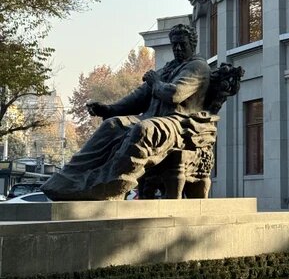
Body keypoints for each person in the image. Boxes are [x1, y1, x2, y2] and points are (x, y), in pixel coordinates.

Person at [42, 23, 211, 201]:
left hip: (180, 123)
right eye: (174, 44)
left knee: (144, 130)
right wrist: (109, 109)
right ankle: (69, 179)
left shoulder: (197, 67)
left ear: (192, 44)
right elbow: (137, 98)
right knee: (112, 124)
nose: (177, 48)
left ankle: (111, 183)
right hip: (155, 119)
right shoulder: (167, 69)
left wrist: (155, 82)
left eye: (182, 44)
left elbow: (175, 94)